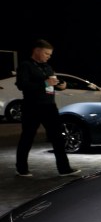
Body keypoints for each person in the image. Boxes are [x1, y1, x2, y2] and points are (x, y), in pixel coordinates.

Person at [15, 39, 80, 178]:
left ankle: (64, 168)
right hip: (32, 106)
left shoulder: (48, 67)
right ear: (37, 50)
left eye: (50, 55)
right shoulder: (25, 66)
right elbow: (22, 85)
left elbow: (52, 83)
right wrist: (44, 83)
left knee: (58, 137)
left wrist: (61, 85)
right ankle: (21, 168)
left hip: (49, 106)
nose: (48, 56)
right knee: (27, 137)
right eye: (46, 53)